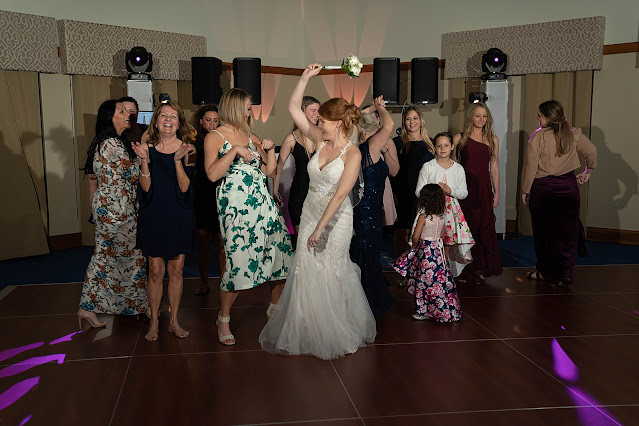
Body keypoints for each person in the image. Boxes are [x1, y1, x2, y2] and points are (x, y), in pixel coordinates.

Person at [259, 64, 376, 360]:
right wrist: (305, 78)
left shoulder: (352, 153)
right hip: (310, 209)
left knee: (332, 270)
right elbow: (293, 108)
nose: (318, 123)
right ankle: (308, 327)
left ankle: (336, 329)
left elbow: (339, 196)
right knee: (306, 268)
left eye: (323, 120)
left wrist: (320, 227)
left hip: (336, 219)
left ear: (337, 122)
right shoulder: (318, 139)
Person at [204, 88, 292, 346]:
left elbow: (270, 171)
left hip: (264, 206)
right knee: (239, 264)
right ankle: (223, 318)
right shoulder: (215, 137)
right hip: (236, 209)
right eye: (246, 105)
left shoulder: (250, 135)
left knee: (281, 258)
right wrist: (234, 151)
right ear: (233, 106)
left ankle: (273, 309)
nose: (250, 110)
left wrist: (270, 149)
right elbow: (211, 175)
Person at [77, 99, 148, 328]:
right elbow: (133, 174)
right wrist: (144, 157)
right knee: (107, 259)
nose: (127, 113)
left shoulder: (112, 141)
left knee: (126, 258)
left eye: (127, 110)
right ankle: (87, 307)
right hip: (116, 208)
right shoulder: (111, 144)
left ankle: (134, 305)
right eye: (121, 111)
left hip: (118, 205)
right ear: (110, 117)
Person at [133, 101, 197, 341]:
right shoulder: (146, 149)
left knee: (177, 270)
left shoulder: (189, 149)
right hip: (154, 214)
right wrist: (143, 160)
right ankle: (154, 322)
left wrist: (178, 161)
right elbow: (146, 187)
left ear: (179, 123)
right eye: (163, 116)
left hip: (179, 214)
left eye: (173, 116)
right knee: (156, 271)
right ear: (156, 122)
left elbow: (184, 187)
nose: (168, 120)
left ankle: (173, 321)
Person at [521, 100, 597, 288]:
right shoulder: (573, 134)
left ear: (546, 117)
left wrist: (525, 190)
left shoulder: (537, 138)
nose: (538, 119)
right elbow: (592, 151)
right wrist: (588, 172)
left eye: (539, 115)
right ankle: (566, 273)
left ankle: (544, 272)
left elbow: (530, 167)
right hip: (568, 188)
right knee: (567, 233)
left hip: (543, 189)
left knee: (544, 233)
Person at [350, 95, 398, 316]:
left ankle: (360, 298)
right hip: (369, 212)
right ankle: (368, 301)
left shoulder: (359, 147)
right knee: (368, 255)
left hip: (366, 210)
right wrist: (381, 108)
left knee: (365, 253)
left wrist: (371, 107)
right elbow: (389, 124)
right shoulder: (370, 146)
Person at [393, 184, 462, 322]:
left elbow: (416, 235)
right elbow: (442, 236)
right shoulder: (442, 217)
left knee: (424, 281)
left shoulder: (423, 217)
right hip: (438, 252)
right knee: (440, 280)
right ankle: (445, 309)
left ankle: (424, 311)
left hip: (426, 252)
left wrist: (414, 244)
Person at [453, 102, 502, 284]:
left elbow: (494, 168)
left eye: (485, 116)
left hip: (483, 191)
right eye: (478, 115)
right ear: (471, 117)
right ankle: (464, 270)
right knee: (467, 230)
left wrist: (497, 193)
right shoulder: (461, 138)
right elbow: (452, 165)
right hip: (465, 190)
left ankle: (479, 268)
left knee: (483, 229)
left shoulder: (493, 139)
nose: (481, 119)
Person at [415, 132, 474, 277]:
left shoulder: (458, 169)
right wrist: (434, 191)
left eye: (446, 145)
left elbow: (464, 192)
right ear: (434, 148)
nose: (443, 149)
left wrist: (451, 190)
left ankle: (446, 272)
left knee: (448, 242)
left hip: (451, 211)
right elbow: (418, 191)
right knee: (432, 240)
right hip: (431, 209)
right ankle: (430, 270)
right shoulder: (428, 167)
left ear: (452, 146)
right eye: (439, 146)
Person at [272, 96, 320, 249]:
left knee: (319, 243)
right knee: (302, 244)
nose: (317, 114)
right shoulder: (291, 139)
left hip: (320, 195)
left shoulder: (323, 136)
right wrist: (274, 191)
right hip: (299, 195)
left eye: (319, 111)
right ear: (301, 112)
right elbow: (278, 167)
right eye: (313, 110)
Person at [390, 106, 435, 262]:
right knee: (403, 233)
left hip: (425, 195)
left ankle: (420, 268)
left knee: (423, 233)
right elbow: (392, 172)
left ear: (421, 120)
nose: (412, 122)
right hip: (403, 194)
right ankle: (403, 268)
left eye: (415, 118)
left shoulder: (431, 144)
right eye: (408, 119)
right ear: (404, 122)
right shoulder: (397, 143)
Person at [190, 105, 225, 295]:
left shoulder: (223, 140)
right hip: (202, 193)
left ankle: (223, 281)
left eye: (216, 120)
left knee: (221, 241)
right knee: (203, 240)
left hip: (220, 191)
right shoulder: (194, 142)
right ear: (201, 121)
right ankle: (203, 282)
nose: (212, 123)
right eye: (208, 120)